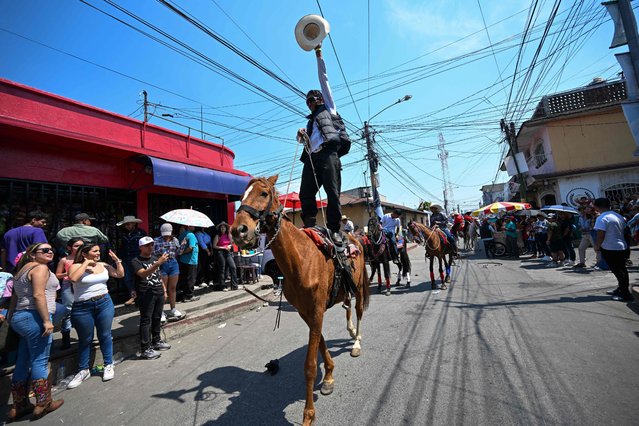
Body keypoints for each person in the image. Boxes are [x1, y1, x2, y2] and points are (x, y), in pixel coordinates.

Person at [6, 243, 64, 420]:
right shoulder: (40, 268)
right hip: (35, 317)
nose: (50, 252)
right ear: (32, 254)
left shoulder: (20, 271)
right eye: (45, 250)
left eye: (51, 249)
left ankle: (19, 405)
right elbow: (38, 295)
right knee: (39, 360)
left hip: (20, 318)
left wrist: (10, 316)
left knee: (23, 360)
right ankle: (43, 402)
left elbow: (15, 298)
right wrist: (46, 320)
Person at [296, 43, 344, 245]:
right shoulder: (310, 121)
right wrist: (301, 135)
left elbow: (324, 79)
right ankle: (310, 226)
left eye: (311, 99)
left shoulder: (329, 109)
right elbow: (306, 141)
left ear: (320, 98)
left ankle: (335, 230)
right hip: (312, 158)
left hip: (328, 155)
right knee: (305, 193)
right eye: (307, 101)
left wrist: (318, 53)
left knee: (332, 193)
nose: (309, 102)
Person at [66, 244, 123, 389]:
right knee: (85, 339)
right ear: (84, 254)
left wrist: (117, 261)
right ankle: (83, 370)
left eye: (99, 250)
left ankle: (108, 364)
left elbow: (119, 274)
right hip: (82, 307)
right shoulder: (75, 266)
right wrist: (85, 263)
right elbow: (72, 278)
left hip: (104, 302)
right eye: (95, 251)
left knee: (105, 335)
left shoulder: (103, 265)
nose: (98, 253)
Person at [133, 236, 171, 360]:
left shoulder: (154, 258)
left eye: (151, 245)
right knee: (146, 320)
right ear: (140, 247)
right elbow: (143, 274)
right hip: (146, 293)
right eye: (147, 245)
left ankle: (156, 341)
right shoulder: (136, 261)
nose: (150, 247)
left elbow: (159, 275)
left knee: (157, 317)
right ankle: (145, 348)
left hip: (158, 291)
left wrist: (164, 289)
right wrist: (158, 263)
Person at [593, 197, 632, 301]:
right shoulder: (617, 215)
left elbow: (600, 234)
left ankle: (625, 294)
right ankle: (621, 289)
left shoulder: (602, 218)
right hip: (621, 246)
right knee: (621, 269)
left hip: (610, 247)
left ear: (596, 206)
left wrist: (597, 246)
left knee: (619, 271)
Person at [54, 237, 84, 350]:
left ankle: (83, 335)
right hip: (68, 285)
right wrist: (69, 272)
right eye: (76, 245)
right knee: (67, 311)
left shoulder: (85, 258)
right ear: (69, 247)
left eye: (81, 245)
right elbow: (57, 274)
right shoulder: (65, 260)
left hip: (82, 285)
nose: (79, 248)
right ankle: (66, 337)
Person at [153, 223, 185, 321]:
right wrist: (161, 254)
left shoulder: (175, 240)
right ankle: (161, 311)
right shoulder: (156, 240)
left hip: (173, 263)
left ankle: (173, 309)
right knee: (163, 289)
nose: (166, 235)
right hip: (162, 264)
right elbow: (152, 253)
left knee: (172, 288)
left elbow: (179, 252)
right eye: (164, 233)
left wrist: (183, 245)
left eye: (168, 233)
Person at [116, 215, 146, 306]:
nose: (127, 226)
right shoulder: (123, 234)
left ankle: (142, 296)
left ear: (133, 224)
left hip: (137, 259)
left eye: (128, 224)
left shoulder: (141, 233)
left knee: (140, 278)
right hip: (126, 259)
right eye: (125, 225)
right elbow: (121, 247)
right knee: (128, 279)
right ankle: (133, 296)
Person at [213, 222, 238, 292]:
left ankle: (234, 285)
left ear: (226, 228)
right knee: (222, 269)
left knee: (233, 267)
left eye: (224, 227)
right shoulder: (217, 236)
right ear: (220, 229)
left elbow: (231, 243)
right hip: (220, 252)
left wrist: (229, 246)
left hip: (228, 252)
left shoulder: (228, 235)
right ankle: (223, 286)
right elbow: (214, 246)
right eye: (221, 227)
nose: (223, 228)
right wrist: (223, 247)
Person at [177, 225, 199, 302]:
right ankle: (189, 296)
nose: (194, 227)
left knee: (185, 278)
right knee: (191, 279)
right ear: (188, 226)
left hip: (183, 260)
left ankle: (185, 295)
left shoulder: (181, 235)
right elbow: (190, 248)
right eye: (192, 225)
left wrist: (181, 254)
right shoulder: (191, 235)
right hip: (191, 260)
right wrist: (182, 253)